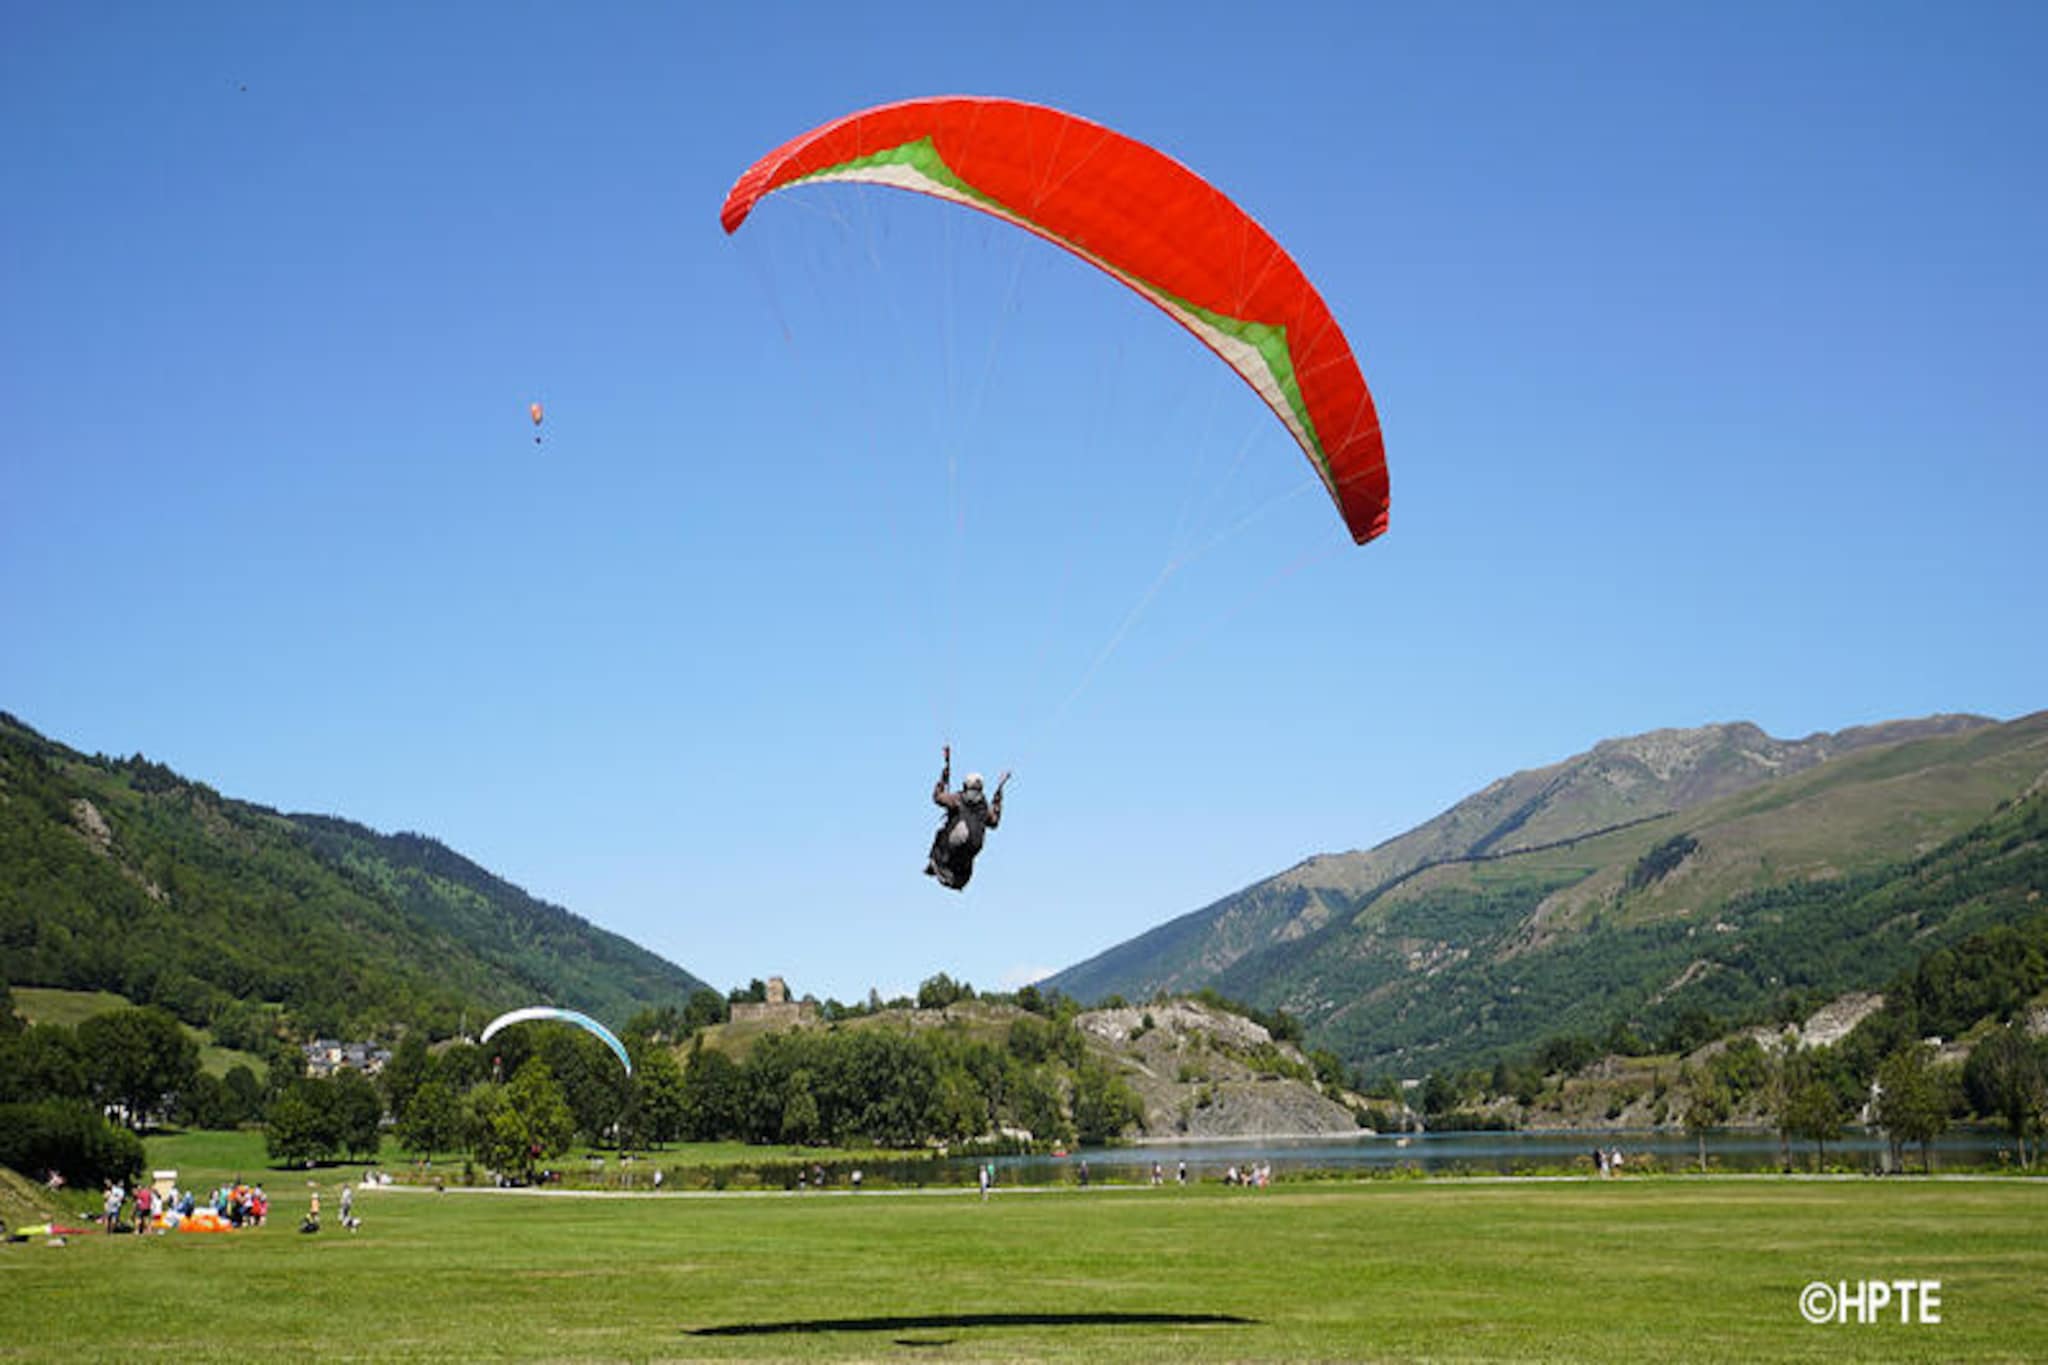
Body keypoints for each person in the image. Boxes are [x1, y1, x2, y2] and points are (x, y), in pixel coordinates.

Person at [924, 745, 1008, 890]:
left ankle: (936, 864)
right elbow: (994, 822)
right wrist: (999, 792)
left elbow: (937, 797)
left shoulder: (958, 799)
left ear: (965, 786)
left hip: (958, 837)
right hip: (975, 845)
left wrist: (943, 778)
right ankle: (957, 876)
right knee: (966, 852)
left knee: (941, 834)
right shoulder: (984, 807)